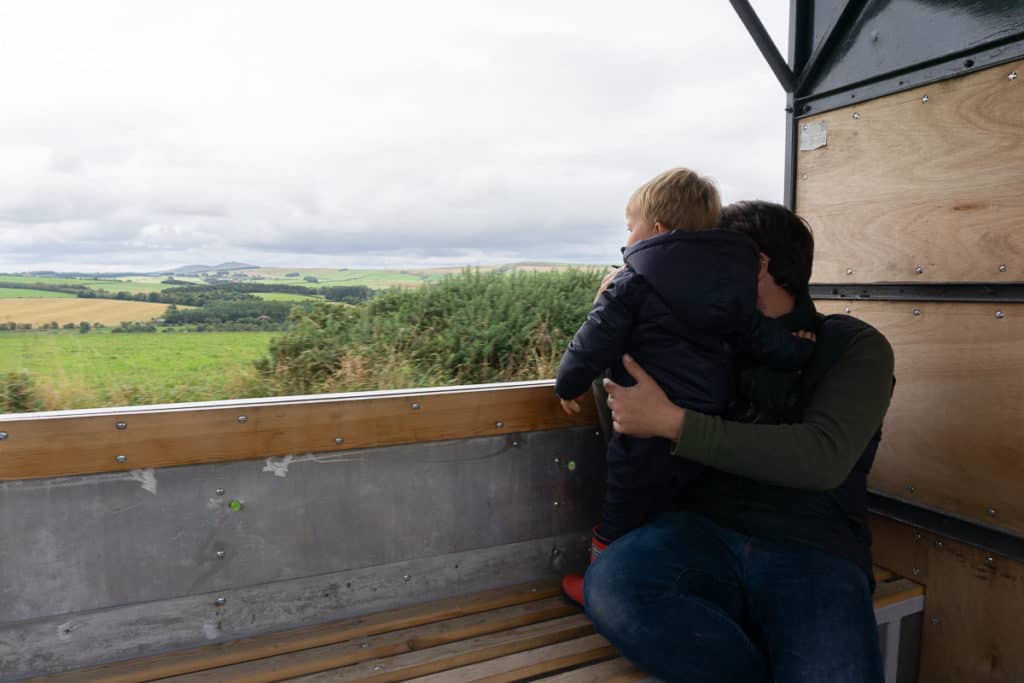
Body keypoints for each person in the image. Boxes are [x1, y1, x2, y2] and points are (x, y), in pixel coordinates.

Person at [584, 200, 895, 683]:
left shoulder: (855, 347)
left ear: (757, 264)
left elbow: (821, 458)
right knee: (613, 586)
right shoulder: (703, 340)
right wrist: (616, 322)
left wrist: (676, 424)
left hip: (815, 551)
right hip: (702, 532)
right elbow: (627, 420)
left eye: (707, 257)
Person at [554, 171, 814, 605]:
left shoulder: (631, 280)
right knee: (678, 507)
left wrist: (569, 383)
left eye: (629, 226)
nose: (627, 237)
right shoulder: (731, 289)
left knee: (623, 504)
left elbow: (594, 339)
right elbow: (757, 337)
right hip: (704, 420)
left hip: (643, 429)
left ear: (656, 230)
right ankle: (663, 582)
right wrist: (798, 351)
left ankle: (600, 585)